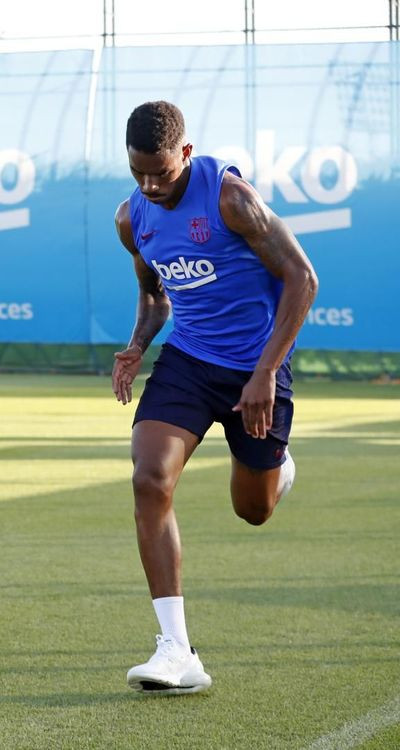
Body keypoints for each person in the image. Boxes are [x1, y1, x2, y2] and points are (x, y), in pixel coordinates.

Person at [113, 101, 317, 693]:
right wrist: (136, 345)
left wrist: (265, 374)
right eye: (139, 173)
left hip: (257, 366)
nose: (152, 185)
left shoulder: (231, 199)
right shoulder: (133, 218)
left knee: (253, 509)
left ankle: (276, 469)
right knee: (149, 477)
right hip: (189, 362)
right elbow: (155, 296)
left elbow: (303, 279)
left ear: (187, 153)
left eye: (163, 172)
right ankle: (177, 650)